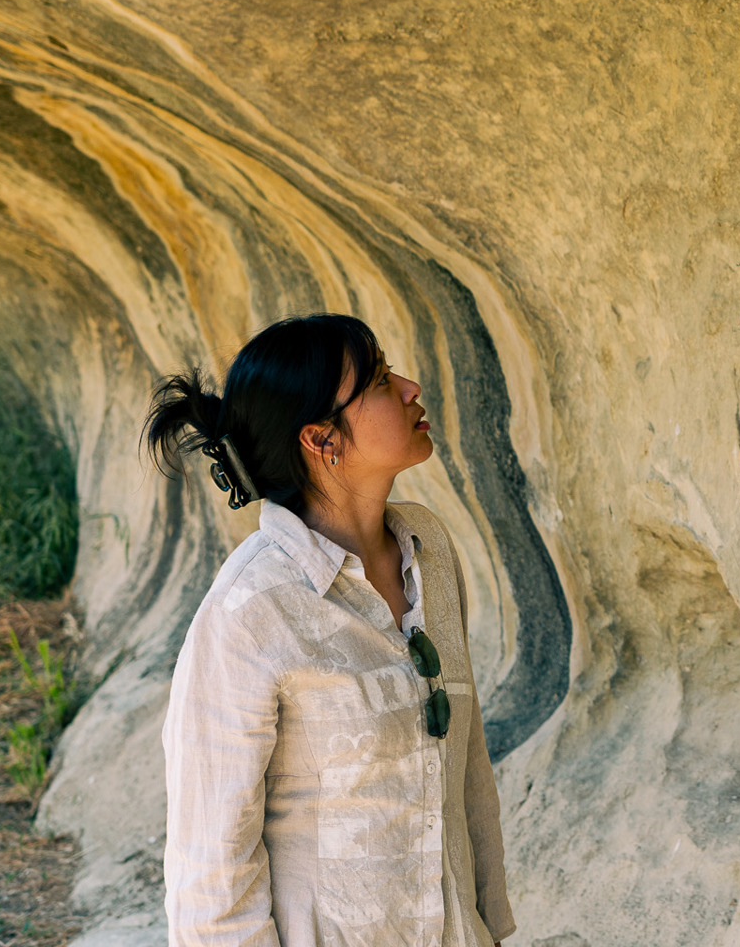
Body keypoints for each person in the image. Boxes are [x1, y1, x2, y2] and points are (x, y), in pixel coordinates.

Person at [146, 313, 513, 947]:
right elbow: (210, 869)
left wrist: (489, 924)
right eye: (376, 380)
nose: (409, 385)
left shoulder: (427, 546)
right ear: (322, 440)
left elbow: (465, 762)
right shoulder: (251, 610)